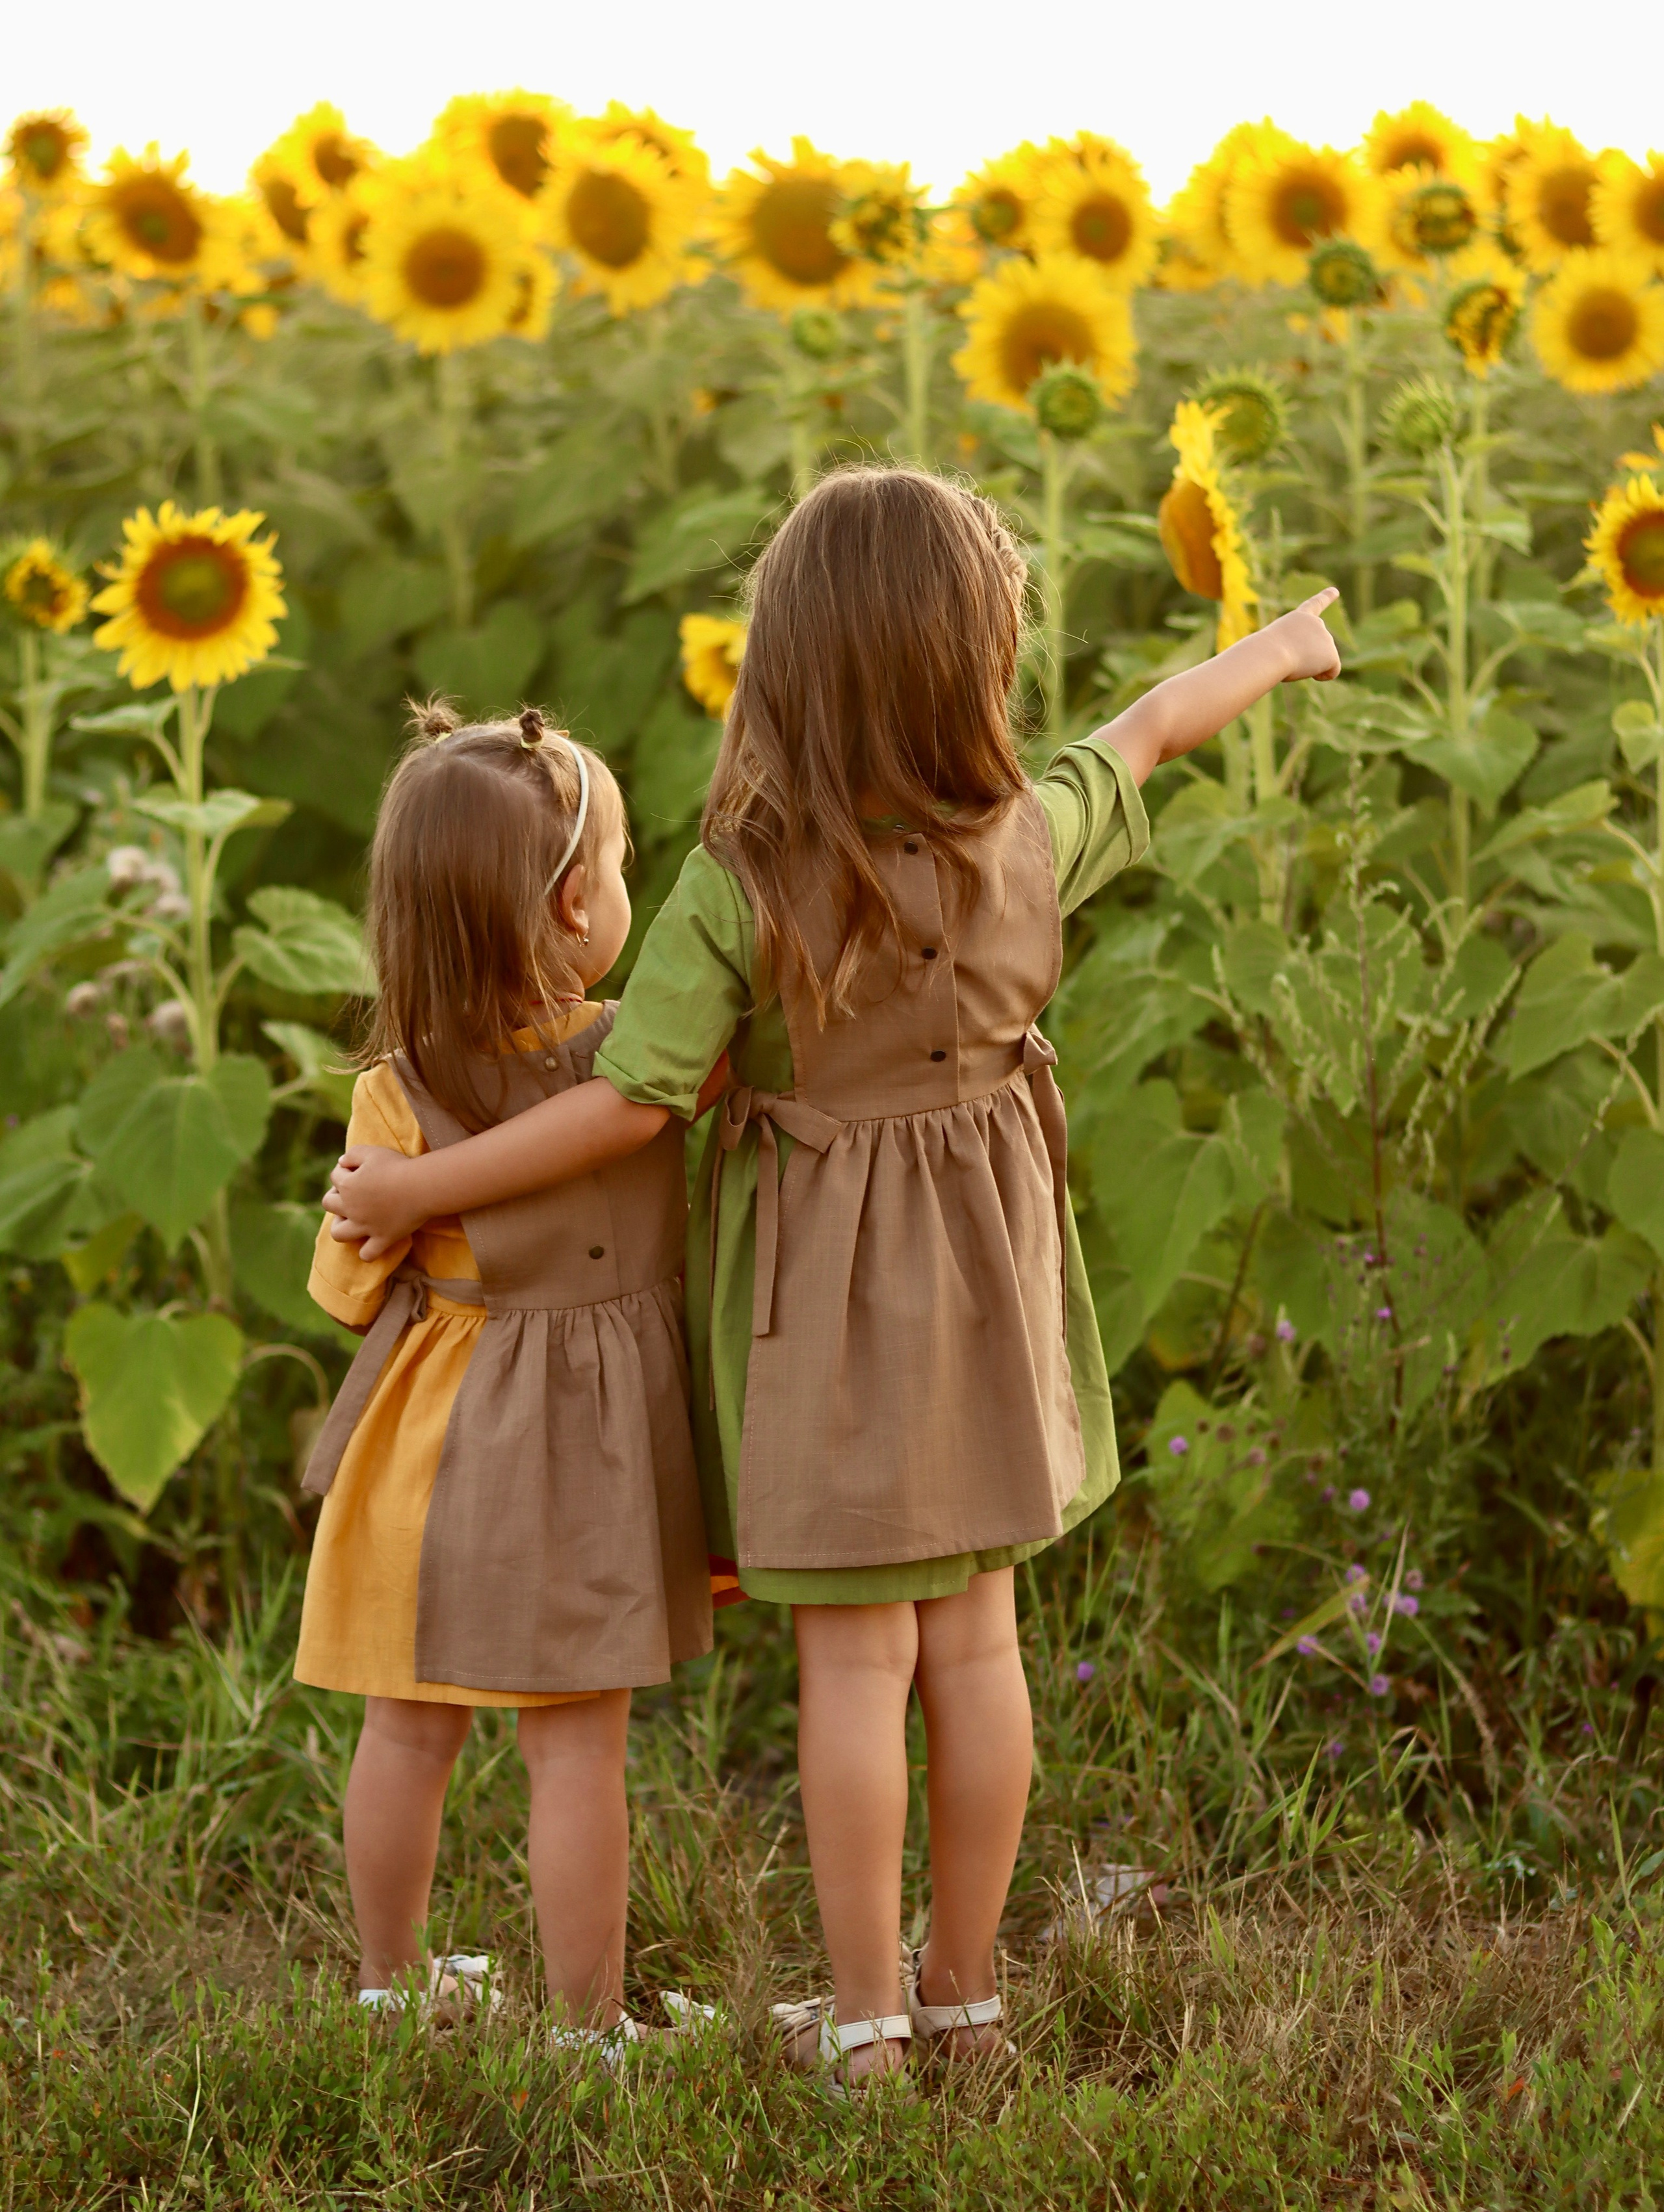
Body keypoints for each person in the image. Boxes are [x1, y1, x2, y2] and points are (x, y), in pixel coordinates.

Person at [324, 467, 1341, 2089]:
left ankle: (863, 2018)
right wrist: (1281, 646)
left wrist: (421, 1185)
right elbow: (1147, 729)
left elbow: (628, 1095)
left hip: (825, 1316)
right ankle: (966, 1992)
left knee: (856, 1665)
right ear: (975, 662)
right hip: (993, 1282)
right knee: (982, 1647)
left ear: (784, 670)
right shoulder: (1023, 833)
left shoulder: (744, 882)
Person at [298, 700, 714, 2055]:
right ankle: (586, 2026)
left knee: (406, 1729)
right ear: (571, 905)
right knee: (575, 1748)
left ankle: (385, 1979)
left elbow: (345, 1286)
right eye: (621, 867)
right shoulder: (648, 1053)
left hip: (431, 1441)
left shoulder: (397, 1094)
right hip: (584, 1453)